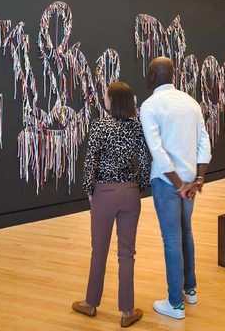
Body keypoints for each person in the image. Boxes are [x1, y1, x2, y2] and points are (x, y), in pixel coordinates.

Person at [72, 81, 150, 328]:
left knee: (99, 250)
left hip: (103, 192)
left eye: (105, 94)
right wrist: (139, 187)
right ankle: (127, 311)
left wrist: (89, 190)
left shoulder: (99, 126)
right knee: (127, 253)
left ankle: (91, 303)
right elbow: (145, 163)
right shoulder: (136, 128)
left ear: (112, 100)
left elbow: (90, 161)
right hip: (129, 192)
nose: (103, 97)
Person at [140, 57, 211, 320]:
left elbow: (157, 151)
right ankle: (189, 290)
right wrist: (199, 180)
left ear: (151, 76)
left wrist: (179, 185)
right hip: (191, 181)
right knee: (186, 233)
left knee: (172, 239)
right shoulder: (191, 102)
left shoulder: (149, 106)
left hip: (167, 182)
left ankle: (175, 303)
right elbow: (204, 141)